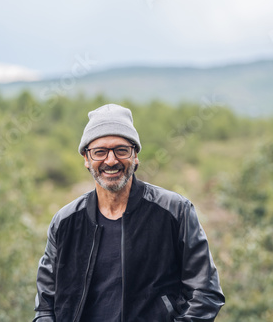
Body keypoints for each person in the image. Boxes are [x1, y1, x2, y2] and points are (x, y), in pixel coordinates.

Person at [33, 104, 224, 322]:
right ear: (86, 159)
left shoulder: (174, 211)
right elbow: (45, 307)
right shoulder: (65, 222)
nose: (111, 160)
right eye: (100, 152)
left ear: (135, 156)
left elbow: (206, 294)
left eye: (121, 150)